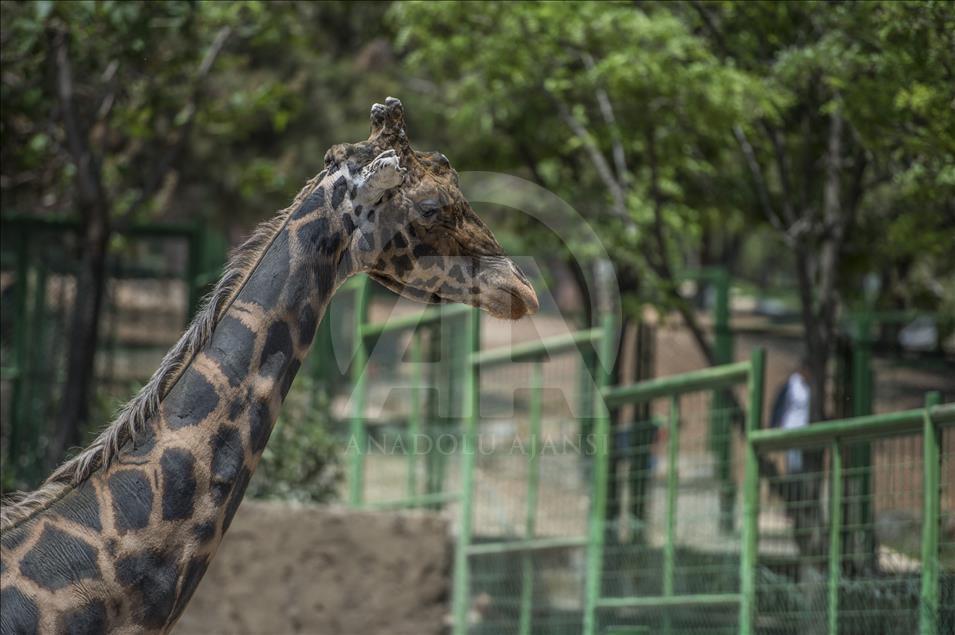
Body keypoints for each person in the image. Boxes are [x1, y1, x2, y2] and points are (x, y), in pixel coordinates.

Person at [770, 358, 812, 474]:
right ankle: (793, 482)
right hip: (791, 428)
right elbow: (778, 406)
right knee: (794, 462)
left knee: (799, 462)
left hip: (804, 429)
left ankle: (795, 481)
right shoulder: (790, 385)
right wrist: (774, 425)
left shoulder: (807, 387)